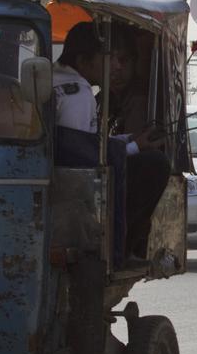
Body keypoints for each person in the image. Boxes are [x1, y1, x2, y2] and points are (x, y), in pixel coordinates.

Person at [53, 22, 169, 260]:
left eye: (121, 60)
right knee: (155, 165)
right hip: (72, 191)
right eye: (108, 58)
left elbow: (84, 142)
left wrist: (129, 140)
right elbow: (81, 156)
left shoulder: (55, 78)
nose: (115, 67)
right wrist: (134, 148)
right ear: (84, 61)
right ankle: (122, 248)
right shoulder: (78, 94)